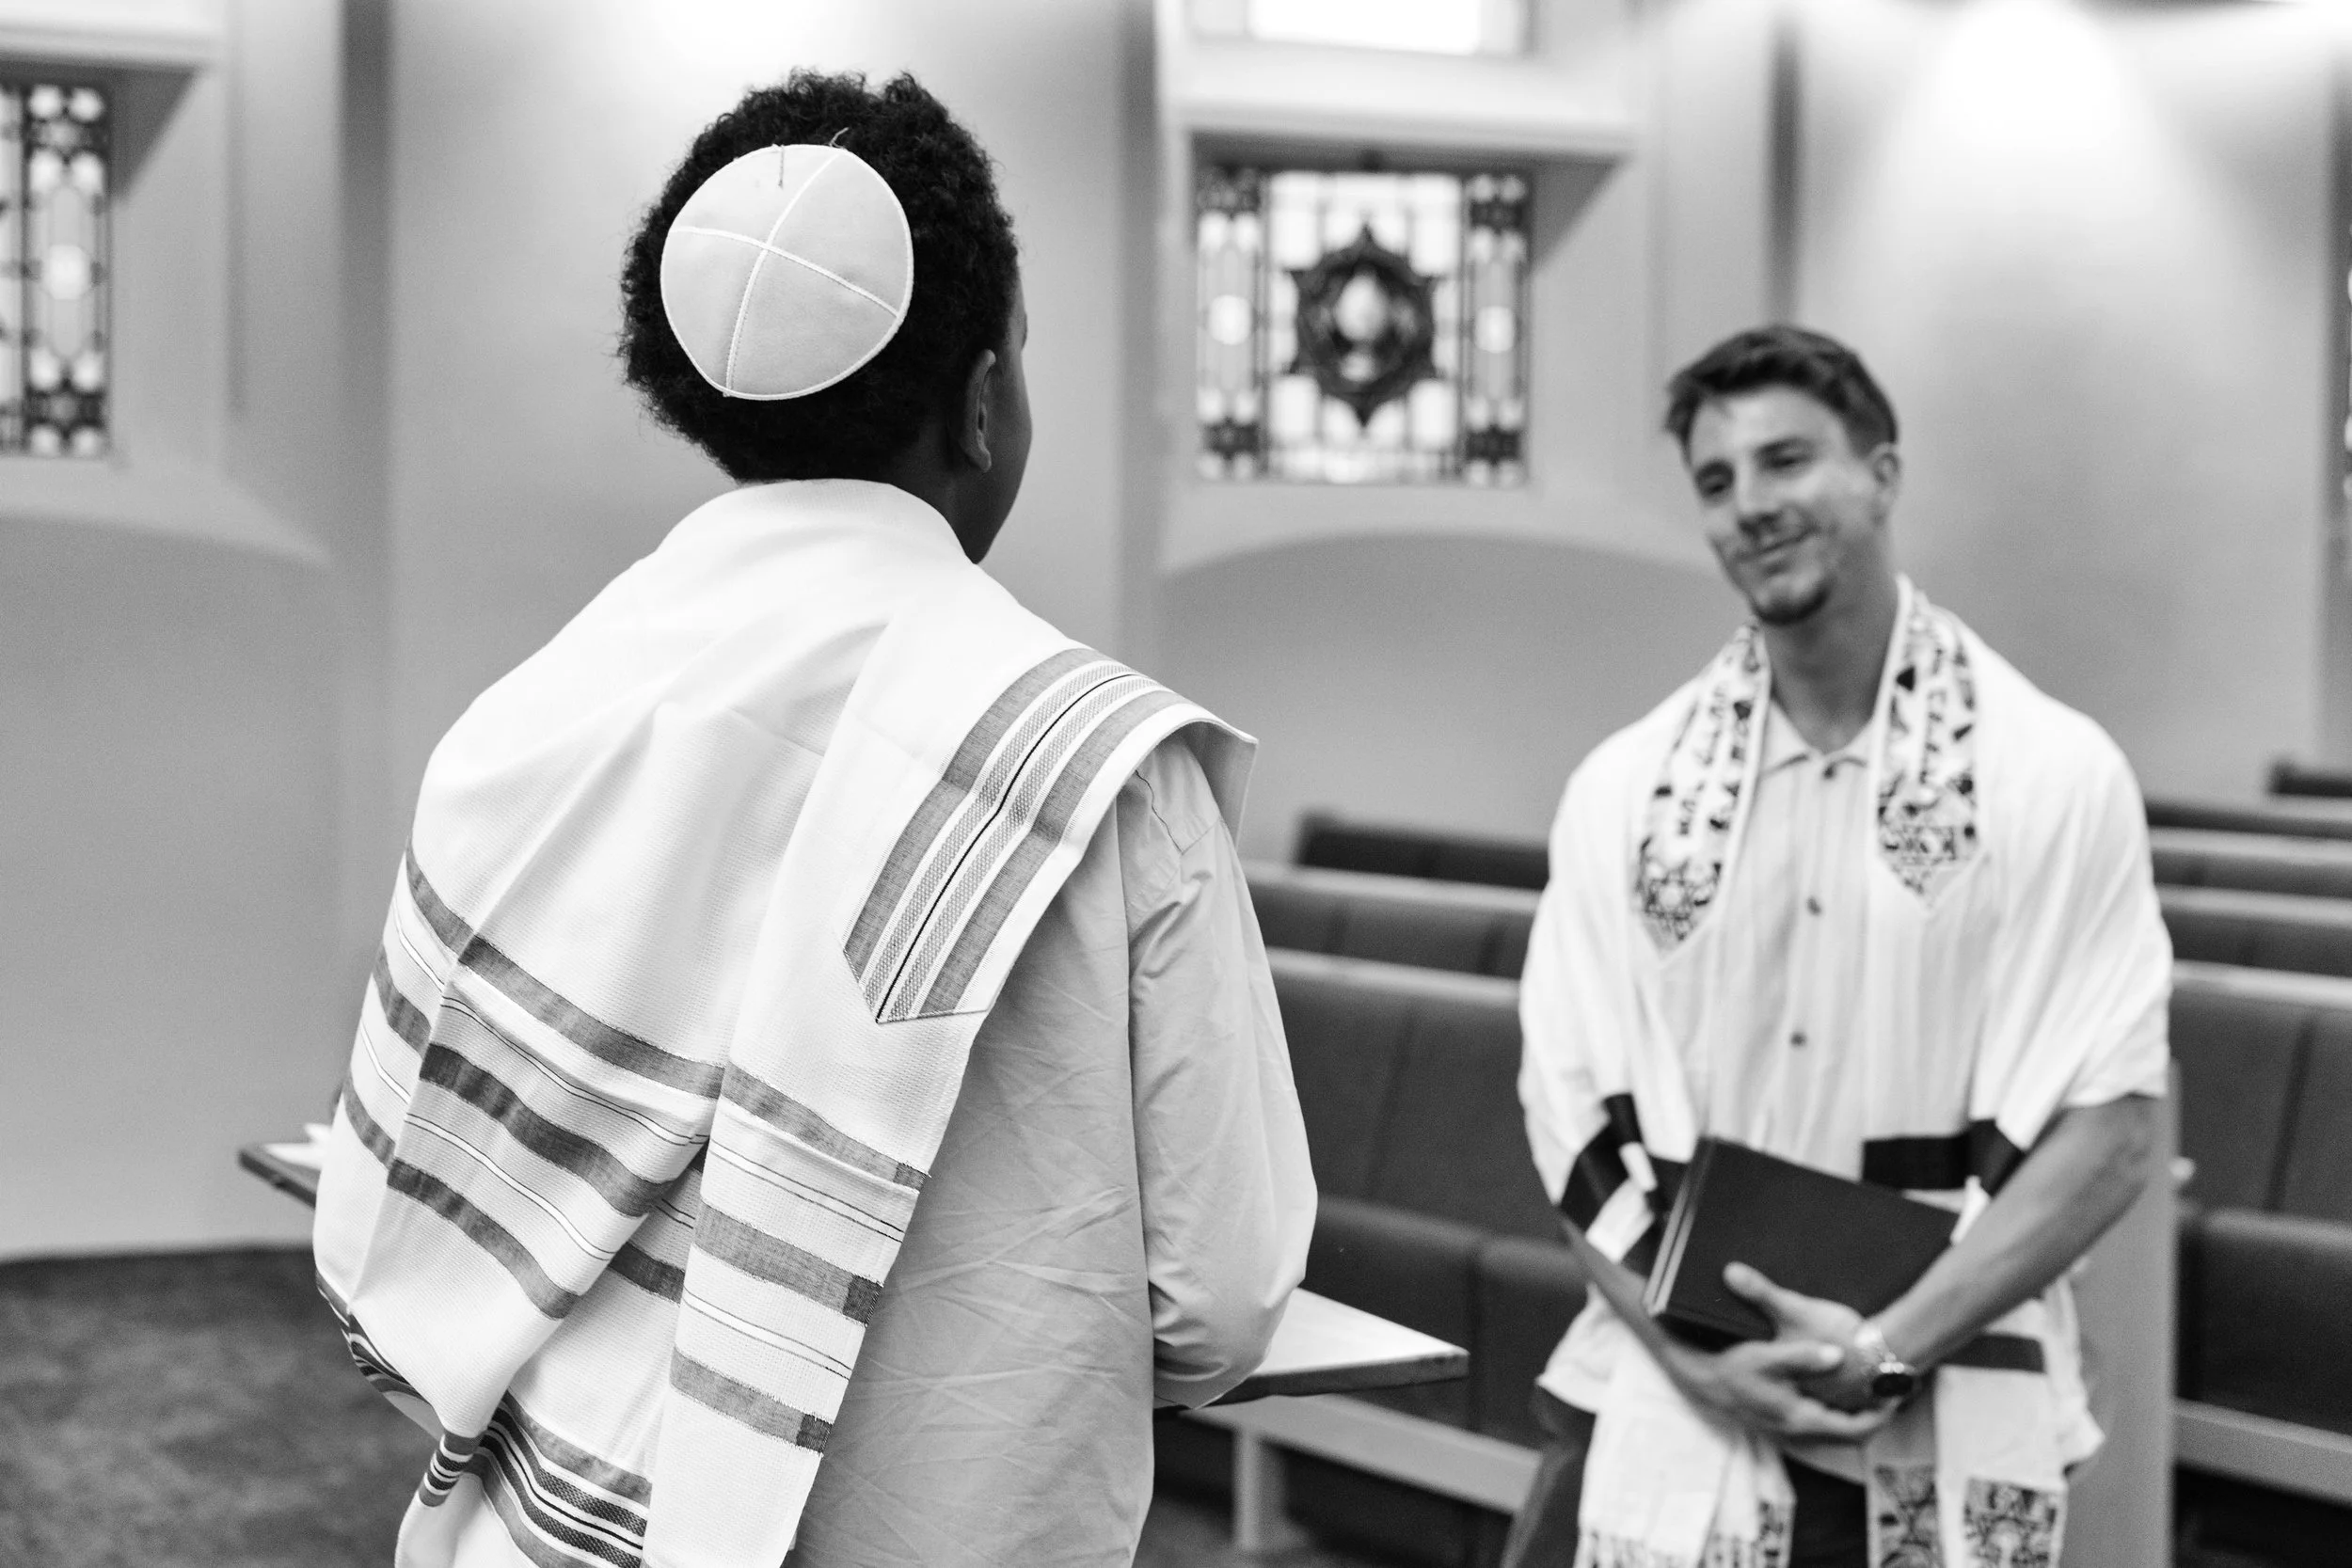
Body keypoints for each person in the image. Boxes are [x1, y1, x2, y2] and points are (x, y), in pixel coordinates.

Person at [310, 71, 1314, 1568]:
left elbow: (391, 1226)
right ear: (982, 398)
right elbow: (1216, 1298)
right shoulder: (1101, 766)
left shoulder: (524, 724)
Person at [1506, 325, 2168, 1568]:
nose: (1751, 505)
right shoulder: (1626, 790)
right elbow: (1567, 1103)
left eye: (1787, 460)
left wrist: (1886, 1348)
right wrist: (1693, 1361)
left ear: (1882, 473)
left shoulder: (2051, 776)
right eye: (1717, 481)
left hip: (1944, 1387)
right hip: (1671, 1384)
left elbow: (2112, 1128)